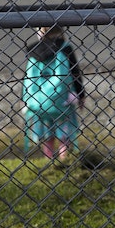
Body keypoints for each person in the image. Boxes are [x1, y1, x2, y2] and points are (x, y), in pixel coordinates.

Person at [22, 26, 86, 161]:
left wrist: (25, 98)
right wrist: (80, 95)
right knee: (63, 133)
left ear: (41, 33)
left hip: (38, 100)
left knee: (47, 134)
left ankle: (48, 158)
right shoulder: (65, 48)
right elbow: (75, 73)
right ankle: (64, 158)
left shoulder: (34, 51)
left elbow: (28, 77)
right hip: (62, 99)